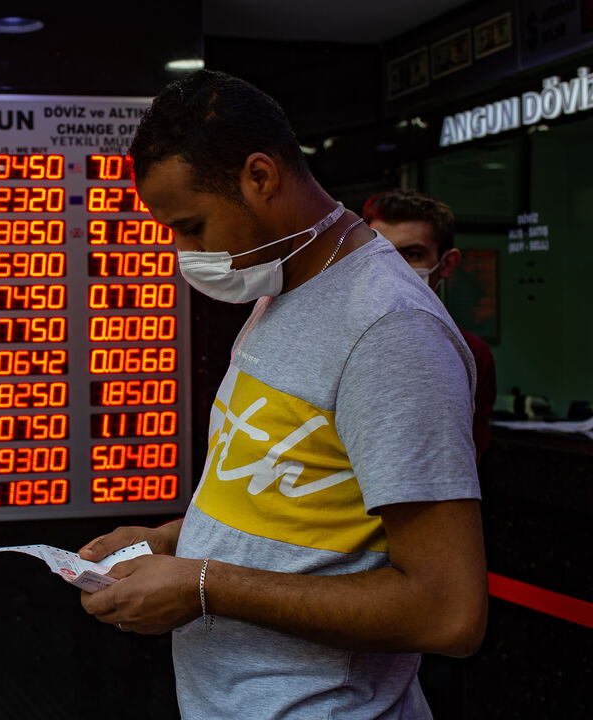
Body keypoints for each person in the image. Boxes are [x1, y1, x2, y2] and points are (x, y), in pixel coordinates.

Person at [78, 70, 487, 719]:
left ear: (260, 177)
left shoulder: (390, 331)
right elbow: (294, 499)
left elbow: (448, 611)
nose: (183, 254)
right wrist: (172, 541)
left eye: (191, 225)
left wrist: (206, 585)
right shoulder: (283, 286)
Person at [363, 189, 497, 460]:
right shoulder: (331, 338)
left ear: (446, 264)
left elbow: (463, 462)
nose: (391, 268)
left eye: (411, 254)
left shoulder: (470, 355)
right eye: (379, 253)